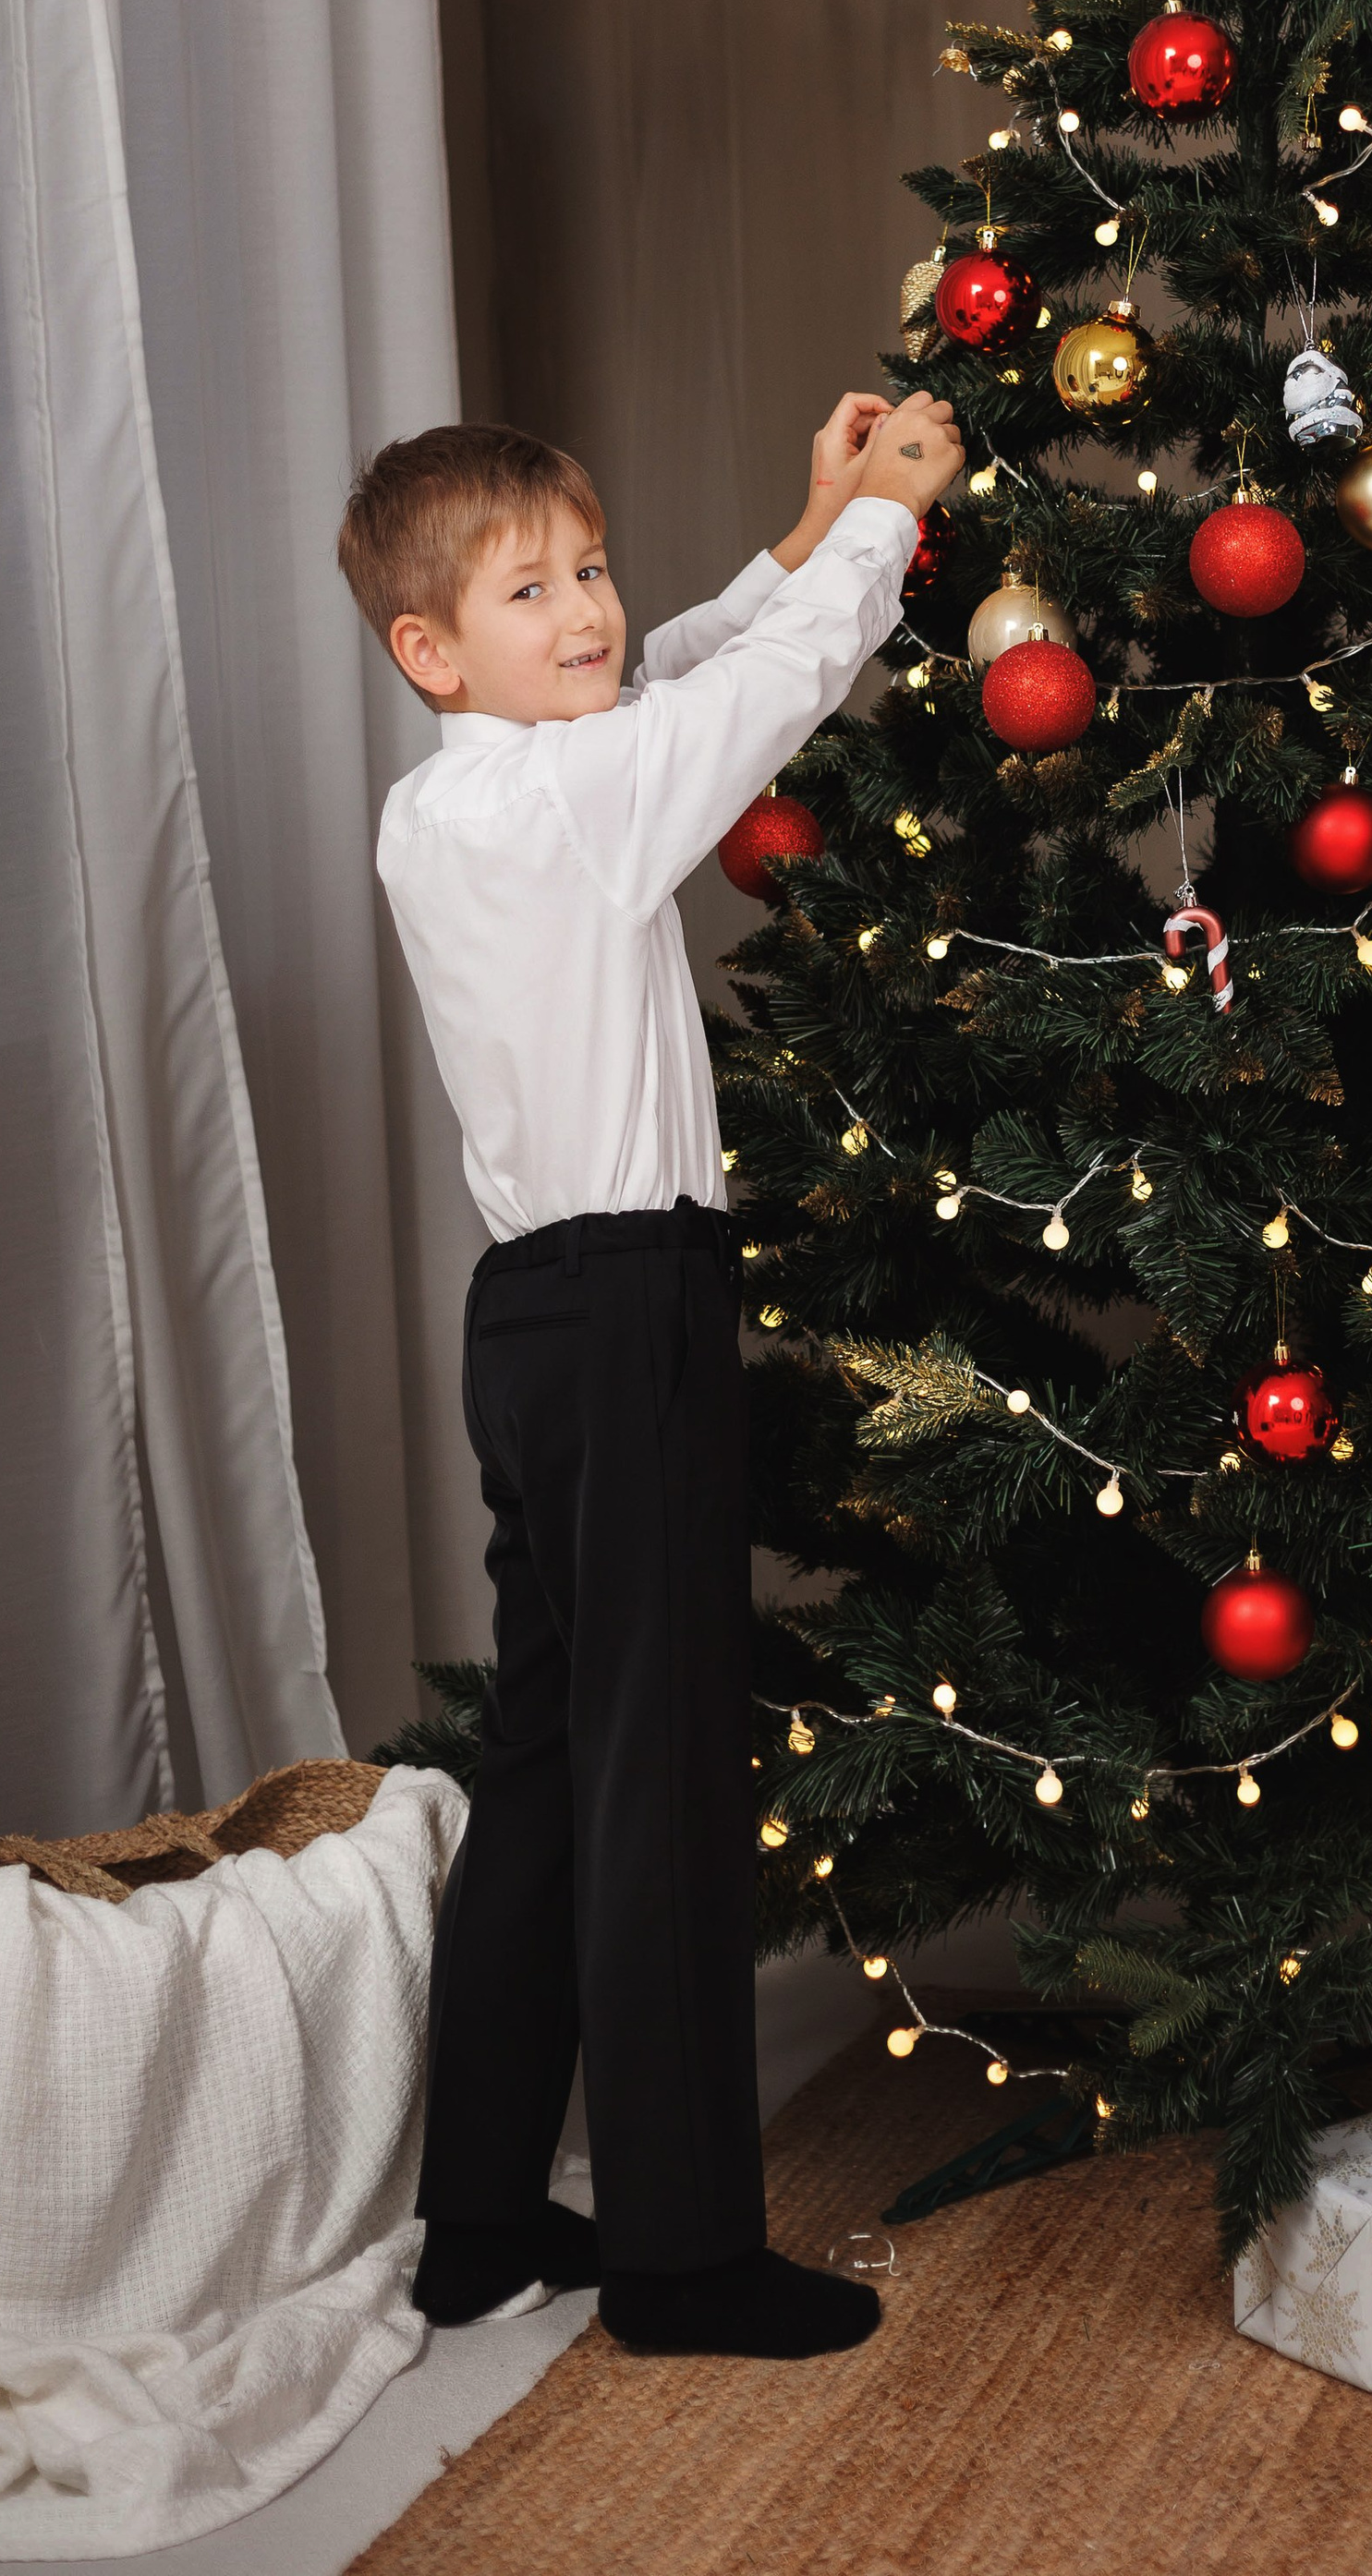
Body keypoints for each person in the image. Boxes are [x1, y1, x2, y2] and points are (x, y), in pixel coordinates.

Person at [335, 388, 960, 2358]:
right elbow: (743, 714)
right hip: (629, 1317)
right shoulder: (555, 803)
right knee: (659, 1773)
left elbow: (670, 674)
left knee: (540, 1764)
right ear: (430, 651)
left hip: (538, 1321)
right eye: (533, 590)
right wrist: (876, 534)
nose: (590, 610)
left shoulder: (471, 791)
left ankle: (482, 2221)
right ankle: (683, 2259)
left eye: (587, 567)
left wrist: (792, 525)